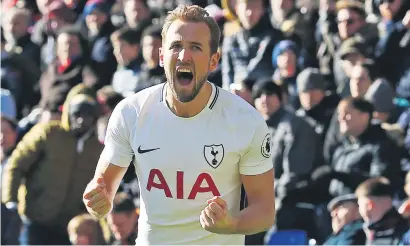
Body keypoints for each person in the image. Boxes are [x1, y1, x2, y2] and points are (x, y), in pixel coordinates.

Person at [83, 4, 275, 245]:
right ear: (162, 56)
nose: (184, 56)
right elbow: (103, 188)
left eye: (195, 47)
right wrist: (97, 202)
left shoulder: (245, 121)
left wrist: (232, 225)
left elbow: (264, 211)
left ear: (214, 60)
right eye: (176, 46)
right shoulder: (131, 112)